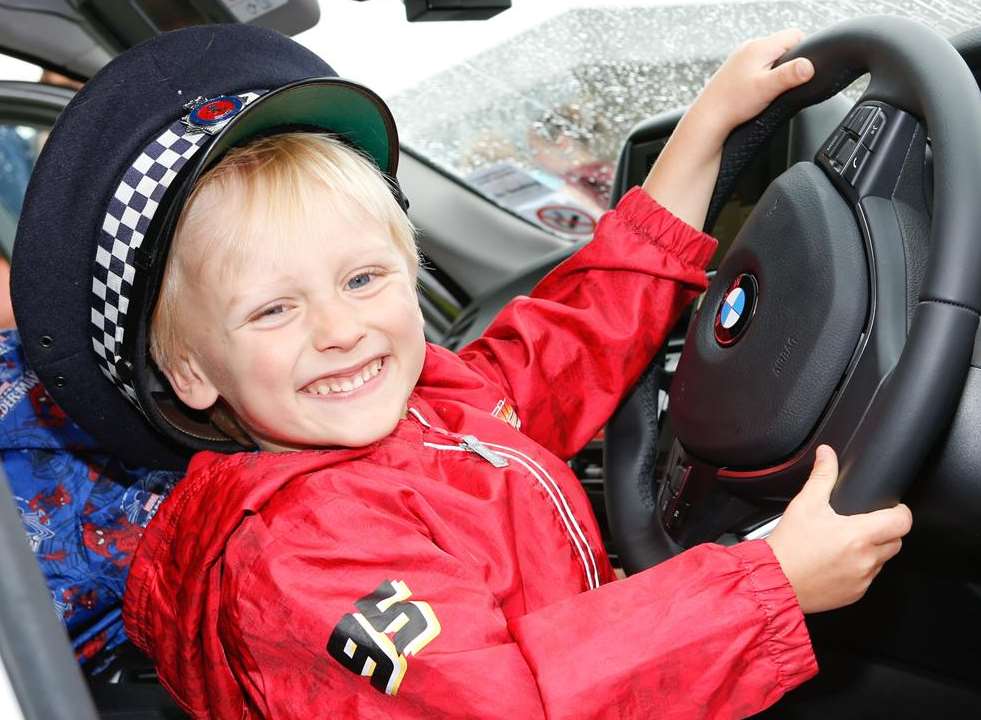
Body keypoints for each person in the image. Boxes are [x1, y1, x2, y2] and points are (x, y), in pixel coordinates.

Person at [10, 24, 913, 719]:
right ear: (192, 373)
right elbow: (507, 702)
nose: (339, 330)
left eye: (363, 279)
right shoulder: (297, 555)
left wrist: (707, 129)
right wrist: (766, 585)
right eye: (273, 310)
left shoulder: (436, 403)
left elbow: (578, 332)